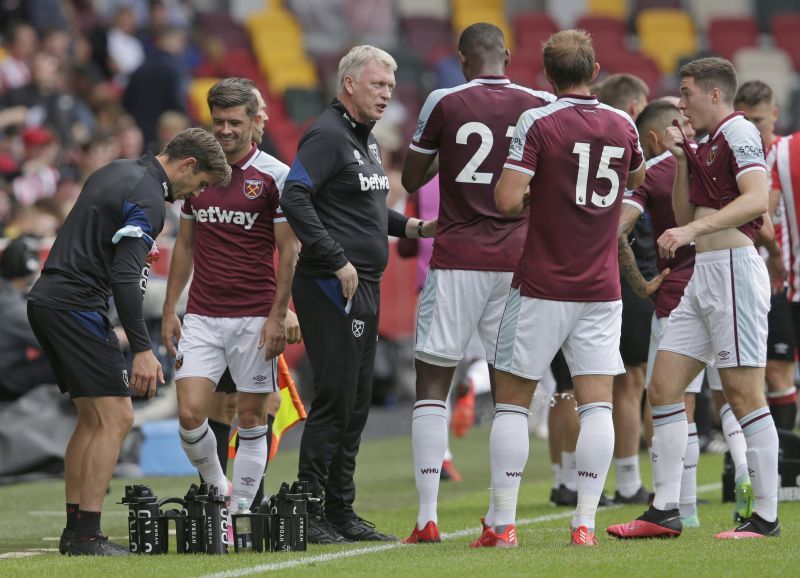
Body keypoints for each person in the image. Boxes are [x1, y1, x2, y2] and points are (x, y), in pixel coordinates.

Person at [27, 128, 230, 556]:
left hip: (50, 299)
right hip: (75, 306)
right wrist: (141, 348)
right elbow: (124, 278)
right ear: (188, 165)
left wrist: (131, 254)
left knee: (91, 418)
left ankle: (74, 529)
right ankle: (88, 535)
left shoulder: (119, 170)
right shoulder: (151, 198)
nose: (194, 195)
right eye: (202, 184)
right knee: (117, 417)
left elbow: (96, 236)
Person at [607, 57, 779, 540]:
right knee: (663, 388)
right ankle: (665, 511)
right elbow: (684, 209)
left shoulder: (740, 132)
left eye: (686, 93)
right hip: (704, 274)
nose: (680, 103)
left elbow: (757, 200)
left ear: (715, 94)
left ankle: (764, 518)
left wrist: (692, 229)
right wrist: (683, 162)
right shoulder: (706, 143)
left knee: (744, 395)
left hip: (733, 274)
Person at [397, 22, 556, 545]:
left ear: (464, 59)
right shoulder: (538, 102)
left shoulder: (445, 100)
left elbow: (414, 179)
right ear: (506, 56)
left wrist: (454, 152)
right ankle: (502, 522)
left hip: (457, 257)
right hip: (518, 261)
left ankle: (427, 519)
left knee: (432, 385)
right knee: (510, 394)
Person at [487, 29, 646, 548]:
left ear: (548, 76)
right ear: (595, 71)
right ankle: (584, 525)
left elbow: (508, 198)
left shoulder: (538, 120)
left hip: (541, 282)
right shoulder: (623, 122)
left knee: (512, 403)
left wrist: (543, 194)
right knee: (596, 404)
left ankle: (504, 526)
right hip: (601, 285)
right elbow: (637, 176)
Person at [280, 44, 435, 544]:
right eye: (377, 85)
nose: (387, 94)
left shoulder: (365, 141)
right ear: (349, 83)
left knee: (357, 403)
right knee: (335, 398)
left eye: (391, 86)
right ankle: (309, 508)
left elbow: (367, 210)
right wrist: (336, 258)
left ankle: (340, 510)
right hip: (331, 283)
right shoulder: (326, 134)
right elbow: (294, 195)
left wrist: (411, 226)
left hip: (361, 282)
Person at [161, 78, 300, 533]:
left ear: (254, 122)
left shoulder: (275, 176)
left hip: (254, 317)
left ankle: (239, 511)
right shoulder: (195, 171)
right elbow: (184, 245)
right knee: (189, 412)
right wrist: (169, 310)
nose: (224, 130)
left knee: (252, 417)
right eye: (217, 121)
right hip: (201, 314)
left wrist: (279, 314)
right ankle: (219, 488)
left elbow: (289, 249)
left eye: (233, 122)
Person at [597, 73, 657, 505]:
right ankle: (628, 481)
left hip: (589, 275)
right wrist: (642, 283)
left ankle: (587, 479)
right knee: (630, 381)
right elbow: (622, 232)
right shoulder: (634, 157)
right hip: (626, 277)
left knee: (599, 383)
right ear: (635, 109)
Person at [734, 81, 797, 431]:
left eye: (759, 120)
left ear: (774, 115)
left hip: (784, 280)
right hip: (751, 277)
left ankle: (785, 462)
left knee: (778, 370)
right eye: (747, 120)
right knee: (759, 372)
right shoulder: (740, 161)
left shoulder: (787, 159)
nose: (753, 128)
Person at [0, 235, 55, 401]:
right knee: (70, 361)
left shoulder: (6, 294)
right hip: (6, 378)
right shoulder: (12, 308)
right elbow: (54, 341)